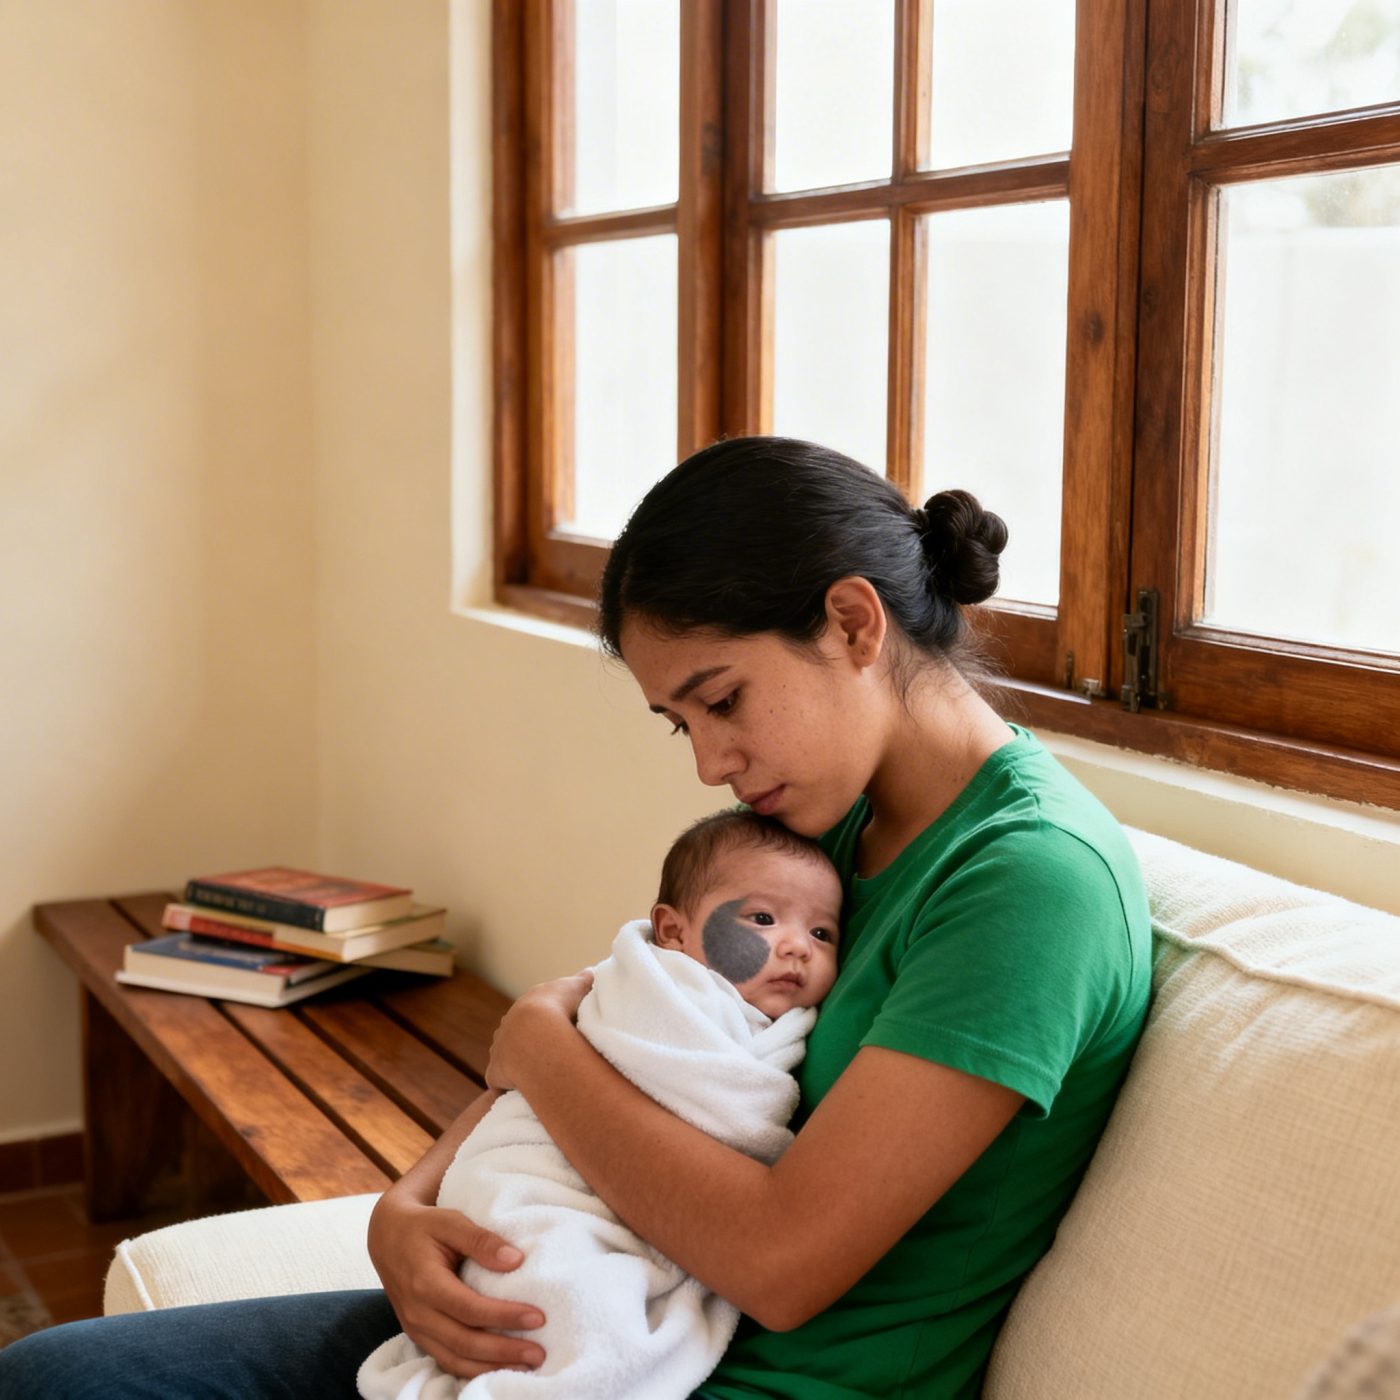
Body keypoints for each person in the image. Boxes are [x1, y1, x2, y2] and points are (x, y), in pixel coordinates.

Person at [0, 435, 1151, 1400]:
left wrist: (536, 1044)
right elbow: (636, 1034)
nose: (709, 761)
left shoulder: (1025, 883)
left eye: (722, 699)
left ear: (853, 623)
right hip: (582, 1305)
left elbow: (780, 1259)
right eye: (677, 723)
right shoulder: (834, 831)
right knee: (57, 1379)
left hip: (723, 1377)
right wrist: (402, 1212)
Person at [358, 809, 841, 1399]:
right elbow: (524, 1078)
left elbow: (537, 1055)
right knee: (555, 1285)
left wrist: (537, 1041)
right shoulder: (659, 992)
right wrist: (400, 1206)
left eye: (823, 934)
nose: (797, 948)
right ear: (672, 931)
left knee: (584, 1311)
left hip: (672, 1239)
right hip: (538, 1196)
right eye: (763, 920)